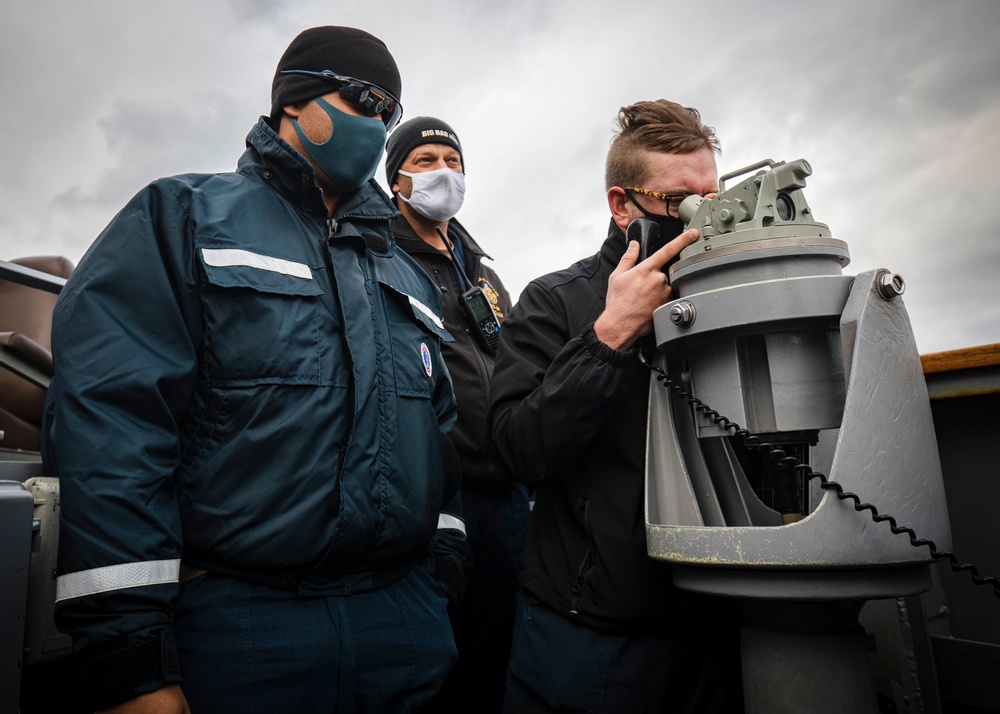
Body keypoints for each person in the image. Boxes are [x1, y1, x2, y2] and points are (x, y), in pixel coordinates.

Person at [50, 26, 465, 714]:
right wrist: (130, 661)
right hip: (241, 630)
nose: (380, 123)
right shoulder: (182, 219)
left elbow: (440, 440)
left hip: (405, 628)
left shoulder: (406, 278)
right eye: (365, 98)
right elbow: (114, 428)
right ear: (295, 100)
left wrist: (440, 582)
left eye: (390, 110)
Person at [488, 99, 742, 713]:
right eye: (681, 204)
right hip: (592, 635)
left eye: (714, 199)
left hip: (722, 617)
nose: (702, 223)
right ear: (621, 205)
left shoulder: (732, 296)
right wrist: (608, 336)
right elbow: (519, 448)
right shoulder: (556, 301)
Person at [385, 116, 529, 713]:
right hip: (439, 495)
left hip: (511, 491)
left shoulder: (485, 272)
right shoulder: (381, 254)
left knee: (501, 648)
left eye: (452, 158)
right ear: (395, 179)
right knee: (437, 653)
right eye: (424, 160)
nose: (443, 170)